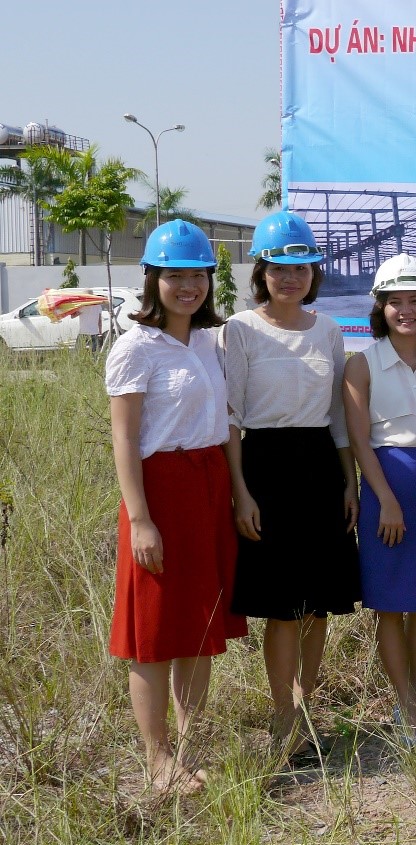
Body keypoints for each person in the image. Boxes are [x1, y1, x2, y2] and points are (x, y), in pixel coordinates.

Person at [105, 220, 246, 794]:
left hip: (209, 486)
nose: (188, 286)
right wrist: (140, 519)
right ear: (152, 280)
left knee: (199, 625)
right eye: (175, 276)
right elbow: (124, 438)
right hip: (160, 491)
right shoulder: (136, 347)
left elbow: (227, 422)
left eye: (198, 275)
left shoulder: (210, 342)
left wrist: (237, 493)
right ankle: (158, 759)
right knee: (155, 631)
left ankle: (190, 747)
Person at [222, 210, 360, 763]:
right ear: (262, 271)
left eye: (301, 268)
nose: (290, 278)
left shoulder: (329, 331)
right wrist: (241, 491)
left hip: (320, 468)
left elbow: (338, 416)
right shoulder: (240, 329)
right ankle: (284, 719)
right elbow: (231, 417)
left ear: (314, 273)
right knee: (282, 608)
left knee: (317, 604)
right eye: (279, 267)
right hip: (265, 468)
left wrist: (349, 483)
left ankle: (307, 708)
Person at [343, 254, 416, 747]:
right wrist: (385, 500)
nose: (406, 310)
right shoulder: (362, 363)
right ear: (380, 308)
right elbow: (358, 439)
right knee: (390, 604)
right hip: (385, 488)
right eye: (395, 301)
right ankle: (407, 706)